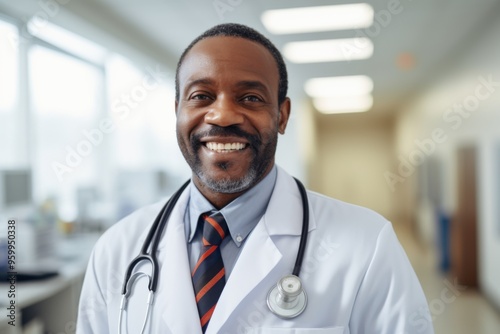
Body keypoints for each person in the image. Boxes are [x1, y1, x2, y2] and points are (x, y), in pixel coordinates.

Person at [77, 23, 434, 334]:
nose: (222, 115)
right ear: (178, 111)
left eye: (250, 97)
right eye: (201, 96)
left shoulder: (367, 245)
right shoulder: (116, 251)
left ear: (281, 114)